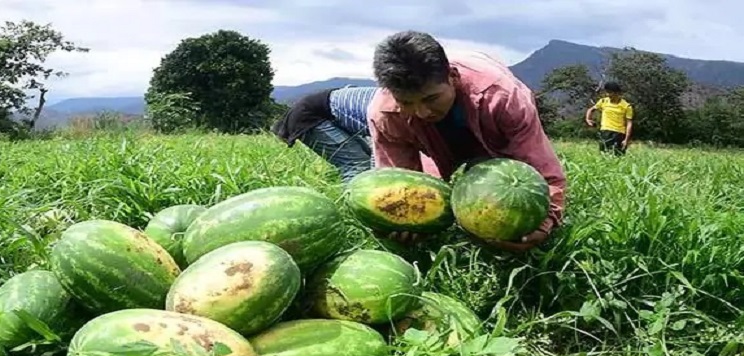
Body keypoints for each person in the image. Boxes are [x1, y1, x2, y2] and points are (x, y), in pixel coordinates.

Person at [366, 30, 567, 253]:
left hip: (489, 125)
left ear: (453, 76)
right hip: (432, 144)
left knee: (500, 177)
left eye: (431, 98)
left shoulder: (503, 97)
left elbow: (540, 165)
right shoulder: (386, 114)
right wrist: (404, 217)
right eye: (407, 102)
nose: (421, 112)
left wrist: (547, 220)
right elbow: (399, 180)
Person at [271, 86, 442, 183]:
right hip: (311, 116)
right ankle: (354, 215)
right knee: (355, 166)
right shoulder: (389, 114)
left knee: (367, 161)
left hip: (325, 113)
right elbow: (383, 157)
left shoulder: (407, 103)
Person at [585, 81, 634, 156]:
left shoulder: (626, 106)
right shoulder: (603, 101)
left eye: (610, 92)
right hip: (605, 132)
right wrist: (588, 119)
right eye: (607, 92)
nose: (608, 95)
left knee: (618, 156)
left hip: (619, 133)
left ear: (617, 93)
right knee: (604, 155)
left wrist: (626, 139)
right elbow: (591, 110)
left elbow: (629, 123)